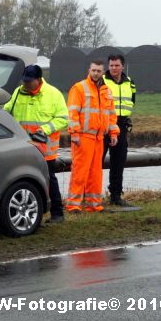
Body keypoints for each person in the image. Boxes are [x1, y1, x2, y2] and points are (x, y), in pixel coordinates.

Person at [4, 64, 68, 223]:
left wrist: (44, 129)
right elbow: (6, 112)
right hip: (22, 147)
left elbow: (63, 119)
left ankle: (57, 213)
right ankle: (26, 211)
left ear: (38, 80)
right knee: (20, 179)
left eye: (29, 81)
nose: (25, 84)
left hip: (45, 149)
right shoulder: (18, 92)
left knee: (49, 180)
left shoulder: (53, 94)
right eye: (24, 80)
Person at [66, 60, 119, 213]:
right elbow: (72, 112)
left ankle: (94, 205)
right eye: (94, 70)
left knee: (95, 173)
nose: (96, 73)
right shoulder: (79, 88)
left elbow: (111, 114)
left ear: (103, 72)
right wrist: (74, 133)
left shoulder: (106, 90)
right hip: (83, 136)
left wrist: (113, 132)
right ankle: (73, 205)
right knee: (80, 171)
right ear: (89, 70)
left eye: (99, 71)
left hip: (99, 138)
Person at [102, 54, 136, 206]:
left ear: (123, 66)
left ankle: (115, 196)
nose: (113, 68)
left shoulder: (130, 83)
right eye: (111, 65)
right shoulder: (101, 81)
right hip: (103, 125)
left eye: (116, 65)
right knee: (96, 162)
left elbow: (132, 102)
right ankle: (90, 197)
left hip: (121, 125)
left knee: (119, 162)